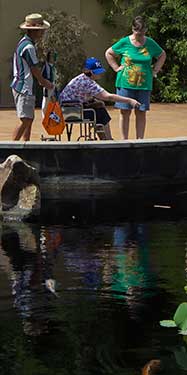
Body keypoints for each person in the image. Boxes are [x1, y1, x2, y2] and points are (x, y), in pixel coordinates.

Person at [105, 16, 166, 140]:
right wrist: (116, 68)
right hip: (125, 83)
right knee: (125, 112)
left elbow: (162, 55)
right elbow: (109, 53)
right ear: (133, 29)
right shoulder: (124, 42)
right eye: (137, 31)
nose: (139, 34)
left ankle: (140, 140)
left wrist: (155, 70)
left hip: (144, 84)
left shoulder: (150, 43)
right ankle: (125, 141)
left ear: (146, 30)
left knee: (141, 112)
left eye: (142, 32)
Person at [59, 57, 140, 140]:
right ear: (89, 72)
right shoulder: (88, 83)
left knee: (99, 106)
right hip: (70, 112)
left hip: (68, 109)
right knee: (100, 112)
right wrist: (130, 100)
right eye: (97, 72)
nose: (100, 74)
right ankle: (108, 140)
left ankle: (104, 138)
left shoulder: (82, 78)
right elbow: (108, 97)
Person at [11, 13, 54, 141]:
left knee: (29, 120)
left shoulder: (24, 43)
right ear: (35, 31)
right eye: (41, 31)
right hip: (24, 87)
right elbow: (34, 69)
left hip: (24, 86)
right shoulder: (28, 47)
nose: (42, 33)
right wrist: (44, 82)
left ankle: (25, 146)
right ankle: (10, 149)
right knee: (26, 120)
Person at [41, 51, 58, 118]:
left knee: (54, 102)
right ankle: (44, 118)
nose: (52, 58)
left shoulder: (54, 66)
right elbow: (42, 76)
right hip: (48, 85)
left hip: (54, 85)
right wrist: (46, 83)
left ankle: (52, 118)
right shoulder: (46, 66)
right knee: (46, 102)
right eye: (51, 56)